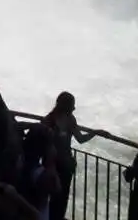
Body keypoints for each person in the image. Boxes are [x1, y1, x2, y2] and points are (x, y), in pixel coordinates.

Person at [42, 92, 106, 220]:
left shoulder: (67, 119)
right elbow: (44, 143)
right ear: (66, 105)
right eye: (72, 105)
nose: (74, 108)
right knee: (53, 195)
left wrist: (95, 132)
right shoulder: (49, 121)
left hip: (65, 165)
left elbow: (80, 139)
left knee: (62, 195)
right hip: (52, 164)